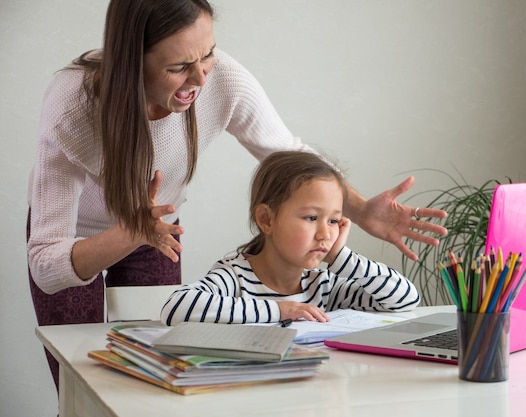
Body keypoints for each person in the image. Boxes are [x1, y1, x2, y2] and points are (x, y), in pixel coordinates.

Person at [27, 0, 447, 390]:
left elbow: (288, 154)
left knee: (157, 376)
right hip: (79, 241)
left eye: (208, 54)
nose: (201, 77)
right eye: (178, 67)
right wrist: (130, 232)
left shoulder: (221, 77)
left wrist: (357, 208)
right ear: (130, 61)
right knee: (79, 381)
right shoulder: (73, 109)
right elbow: (47, 266)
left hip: (156, 229)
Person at [161, 151, 421, 326]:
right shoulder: (235, 277)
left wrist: (342, 259)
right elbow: (177, 308)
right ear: (267, 219)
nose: (325, 233)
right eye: (311, 218)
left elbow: (405, 299)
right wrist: (281, 310)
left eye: (333, 221)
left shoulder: (324, 285)